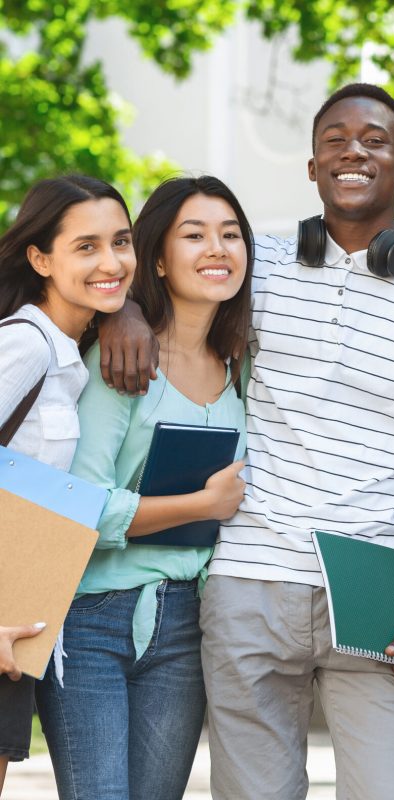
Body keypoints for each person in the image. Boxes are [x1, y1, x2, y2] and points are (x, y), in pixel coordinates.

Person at [97, 84, 394, 800]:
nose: (354, 151)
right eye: (336, 139)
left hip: (381, 591)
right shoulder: (256, 267)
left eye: (375, 140)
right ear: (312, 167)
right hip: (249, 578)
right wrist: (120, 310)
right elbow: (164, 279)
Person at [35, 176, 251, 800]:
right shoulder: (121, 362)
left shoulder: (245, 370)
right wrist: (201, 506)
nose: (217, 248)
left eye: (231, 235)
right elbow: (77, 509)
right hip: (90, 619)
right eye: (195, 235)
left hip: (189, 621)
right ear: (157, 256)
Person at [0, 175, 135, 795]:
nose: (111, 263)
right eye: (86, 247)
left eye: (122, 242)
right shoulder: (23, 347)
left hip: (21, 625)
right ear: (40, 258)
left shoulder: (73, 355)